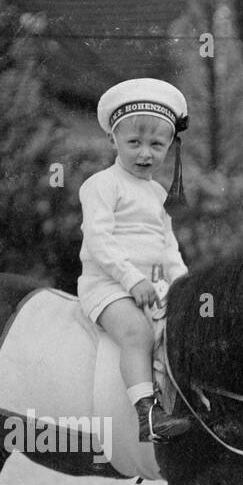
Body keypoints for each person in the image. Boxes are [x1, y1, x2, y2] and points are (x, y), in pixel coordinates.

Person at [77, 77, 193, 443]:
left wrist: (184, 287)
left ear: (170, 147)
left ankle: (186, 405)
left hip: (150, 288)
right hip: (109, 287)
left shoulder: (158, 193)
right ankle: (147, 414)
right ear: (113, 140)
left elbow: (168, 247)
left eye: (157, 145)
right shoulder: (101, 185)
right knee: (137, 333)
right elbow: (100, 241)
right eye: (134, 143)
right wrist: (132, 280)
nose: (145, 154)